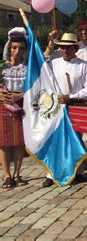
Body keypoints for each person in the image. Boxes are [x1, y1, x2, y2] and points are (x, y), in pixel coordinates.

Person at [42, 33, 87, 187]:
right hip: (55, 107)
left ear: (75, 48)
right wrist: (50, 43)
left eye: (68, 47)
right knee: (55, 141)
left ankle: (76, 172)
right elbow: (41, 63)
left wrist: (72, 96)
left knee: (74, 140)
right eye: (62, 47)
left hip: (74, 107)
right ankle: (51, 173)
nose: (65, 50)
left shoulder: (83, 65)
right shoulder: (53, 63)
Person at [0, 28, 27, 189]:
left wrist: (21, 95)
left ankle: (17, 174)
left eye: (21, 48)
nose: (17, 51)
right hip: (3, 106)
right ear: (9, 48)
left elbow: (34, 86)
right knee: (4, 143)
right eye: (14, 47)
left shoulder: (27, 67)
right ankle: (6, 175)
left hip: (21, 105)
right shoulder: (2, 66)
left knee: (19, 142)